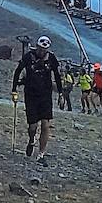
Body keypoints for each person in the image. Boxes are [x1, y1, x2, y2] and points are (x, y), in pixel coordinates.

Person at [12, 36, 64, 166]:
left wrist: (61, 92)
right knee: (33, 126)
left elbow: (56, 75)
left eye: (44, 49)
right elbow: (18, 71)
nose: (42, 51)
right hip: (31, 94)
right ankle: (31, 140)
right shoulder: (28, 57)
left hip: (45, 94)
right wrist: (14, 89)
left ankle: (41, 153)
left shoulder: (51, 58)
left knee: (45, 124)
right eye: (40, 48)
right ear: (37, 47)